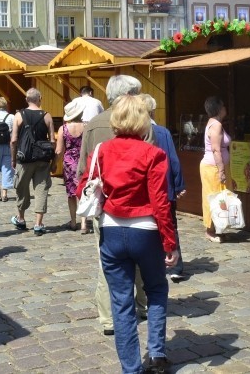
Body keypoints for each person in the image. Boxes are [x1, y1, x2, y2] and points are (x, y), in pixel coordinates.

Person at [76, 95, 178, 374]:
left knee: (120, 301)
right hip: (145, 230)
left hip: (111, 227)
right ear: (143, 121)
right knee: (155, 289)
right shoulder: (153, 154)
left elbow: (82, 187)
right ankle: (156, 354)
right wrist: (170, 243)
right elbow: (160, 201)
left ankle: (131, 368)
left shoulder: (102, 150)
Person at [77, 74, 148, 336]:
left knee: (106, 261)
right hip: (138, 206)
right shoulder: (142, 122)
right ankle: (142, 305)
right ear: (129, 95)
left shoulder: (93, 124)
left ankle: (108, 319)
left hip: (104, 204)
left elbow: (84, 170)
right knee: (140, 259)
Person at [140, 93, 186, 283]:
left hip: (145, 190)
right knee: (170, 225)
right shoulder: (163, 132)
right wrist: (178, 185)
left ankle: (152, 265)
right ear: (152, 111)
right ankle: (176, 266)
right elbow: (173, 161)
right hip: (164, 188)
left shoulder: (136, 132)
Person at [10, 88, 55, 236]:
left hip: (25, 158)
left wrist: (13, 158)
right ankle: (38, 223)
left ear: (26, 99)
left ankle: (21, 219)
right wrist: (53, 160)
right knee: (41, 189)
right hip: (42, 158)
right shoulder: (47, 116)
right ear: (40, 98)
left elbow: (14, 140)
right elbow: (52, 141)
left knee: (21, 188)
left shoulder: (19, 115)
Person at [200, 96, 231, 243]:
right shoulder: (216, 125)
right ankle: (210, 230)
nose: (225, 108)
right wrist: (221, 170)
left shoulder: (214, 123)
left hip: (213, 167)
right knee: (213, 198)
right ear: (218, 109)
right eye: (223, 106)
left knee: (219, 198)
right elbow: (216, 150)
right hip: (212, 167)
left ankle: (217, 228)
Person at [56, 98, 85, 231]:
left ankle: (73, 221)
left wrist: (54, 164)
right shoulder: (86, 126)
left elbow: (59, 150)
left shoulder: (63, 128)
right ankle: (84, 222)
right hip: (83, 161)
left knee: (71, 193)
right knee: (83, 191)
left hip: (69, 162)